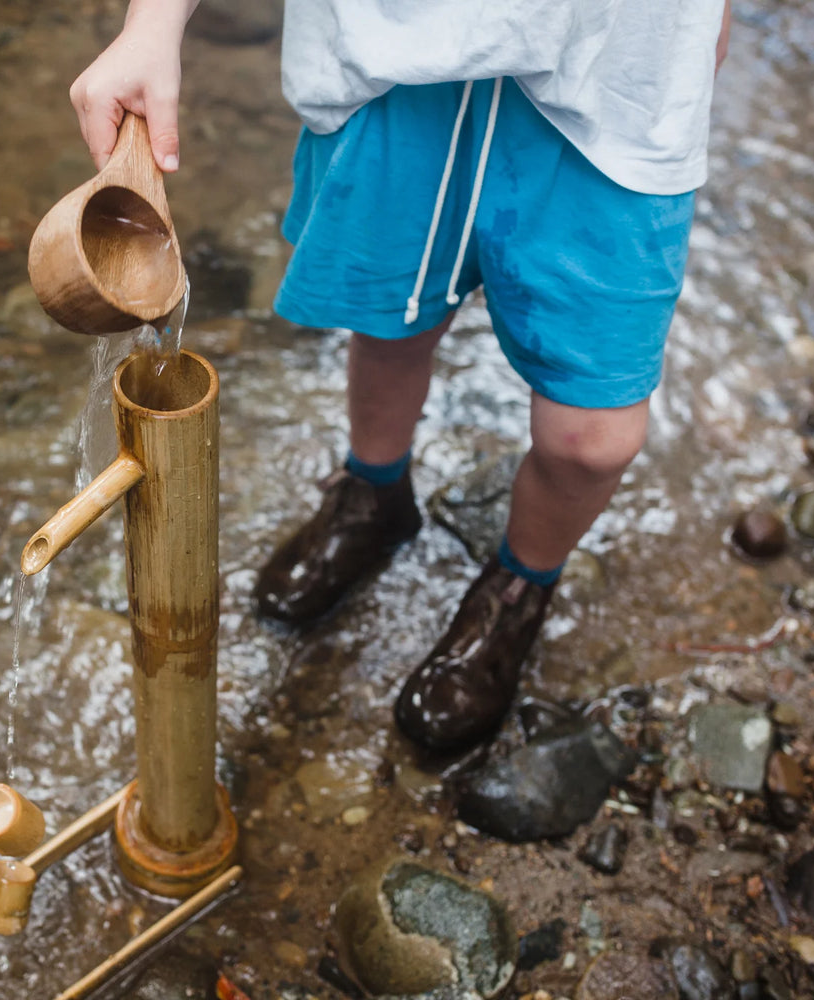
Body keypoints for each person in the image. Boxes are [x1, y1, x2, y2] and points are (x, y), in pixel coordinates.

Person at [68, 0, 732, 756]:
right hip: (404, 51)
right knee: (390, 318)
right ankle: (374, 490)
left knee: (593, 439)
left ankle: (520, 585)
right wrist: (152, 24)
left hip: (621, 81)